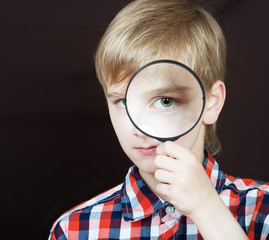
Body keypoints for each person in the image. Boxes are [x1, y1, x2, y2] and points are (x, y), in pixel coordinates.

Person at [48, 0, 269, 239]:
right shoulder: (75, 230)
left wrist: (208, 209)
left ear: (211, 102)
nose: (138, 127)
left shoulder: (262, 209)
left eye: (165, 101)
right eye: (123, 101)